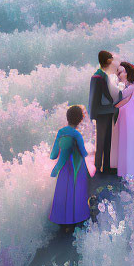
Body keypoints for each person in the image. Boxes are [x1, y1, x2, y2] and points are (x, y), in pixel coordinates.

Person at [48, 104, 91, 232]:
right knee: (76, 193)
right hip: (77, 168)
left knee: (63, 193)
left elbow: (54, 154)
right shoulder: (77, 135)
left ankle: (62, 221)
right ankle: (76, 219)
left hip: (64, 169)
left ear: (67, 117)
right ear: (80, 120)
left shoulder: (61, 132)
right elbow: (83, 153)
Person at [88, 49, 120, 176]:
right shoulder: (98, 76)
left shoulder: (103, 75)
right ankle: (98, 167)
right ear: (108, 61)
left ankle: (106, 166)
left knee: (107, 140)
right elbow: (96, 96)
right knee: (101, 140)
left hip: (106, 111)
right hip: (102, 113)